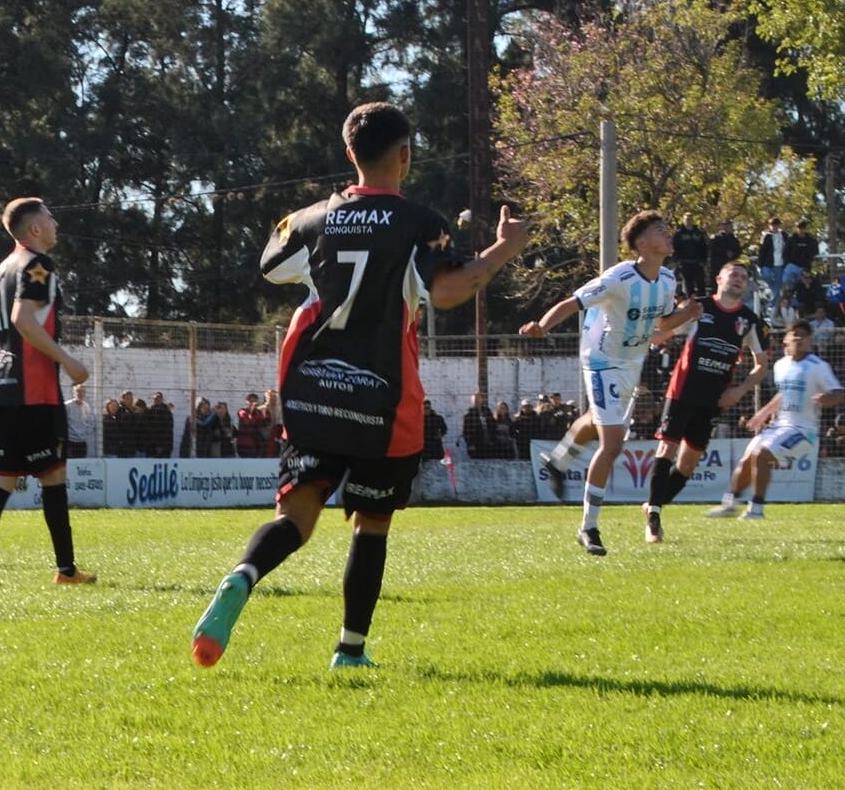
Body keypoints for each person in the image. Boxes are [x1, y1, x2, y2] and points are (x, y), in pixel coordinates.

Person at [191, 102, 529, 670]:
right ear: (406, 155)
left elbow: (272, 266)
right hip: (383, 395)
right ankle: (350, 651)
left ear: (349, 154)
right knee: (370, 525)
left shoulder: (310, 218)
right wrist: (507, 246)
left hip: (311, 387)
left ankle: (243, 577)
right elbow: (451, 289)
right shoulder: (421, 222)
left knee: (294, 520)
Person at [524, 211, 701, 556]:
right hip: (602, 358)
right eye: (660, 231)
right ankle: (588, 527)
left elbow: (662, 324)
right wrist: (542, 326)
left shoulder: (666, 280)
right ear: (641, 243)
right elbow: (571, 303)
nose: (668, 234)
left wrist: (687, 314)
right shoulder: (618, 277)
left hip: (632, 361)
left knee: (597, 420)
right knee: (614, 441)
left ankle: (558, 461)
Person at [0, 197, 95, 587]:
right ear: (35, 229)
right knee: (53, 476)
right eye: (50, 217)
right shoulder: (38, 264)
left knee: (1, 479)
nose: (56, 223)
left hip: (2, 388)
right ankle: (66, 571)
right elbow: (21, 319)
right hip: (35, 391)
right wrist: (68, 362)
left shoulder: (3, 269)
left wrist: (2, 372)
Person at [640, 263, 772, 542]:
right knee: (667, 447)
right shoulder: (698, 307)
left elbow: (761, 366)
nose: (738, 279)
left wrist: (739, 390)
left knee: (688, 464)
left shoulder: (749, 321)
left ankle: (654, 504)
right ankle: (653, 519)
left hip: (713, 399)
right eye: (733, 274)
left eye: (744, 277)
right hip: (682, 391)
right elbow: (664, 329)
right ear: (719, 278)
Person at [706, 321, 845, 519]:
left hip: (803, 430)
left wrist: (827, 399)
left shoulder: (818, 366)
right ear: (785, 339)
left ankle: (756, 510)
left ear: (809, 341)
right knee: (748, 459)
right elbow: (783, 394)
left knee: (761, 454)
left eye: (804, 335)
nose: (799, 338)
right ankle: (729, 504)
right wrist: (763, 413)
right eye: (795, 334)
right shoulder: (781, 365)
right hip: (780, 426)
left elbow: (838, 392)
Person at [672, 214, 709, 298]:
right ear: (683, 220)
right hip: (684, 263)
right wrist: (676, 260)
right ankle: (689, 303)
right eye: (687, 219)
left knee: (701, 284)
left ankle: (703, 302)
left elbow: (704, 248)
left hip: (698, 263)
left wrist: (704, 261)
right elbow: (675, 247)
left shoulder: (698, 233)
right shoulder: (679, 233)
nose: (689, 221)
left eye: (690, 219)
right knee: (688, 285)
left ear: (693, 220)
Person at [755, 218, 789, 310]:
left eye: (776, 225)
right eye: (773, 225)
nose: (774, 227)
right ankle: (774, 298)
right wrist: (760, 264)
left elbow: (788, 247)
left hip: (780, 263)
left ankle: (774, 305)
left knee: (778, 284)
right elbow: (762, 251)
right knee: (767, 276)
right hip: (768, 262)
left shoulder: (783, 235)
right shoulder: (766, 236)